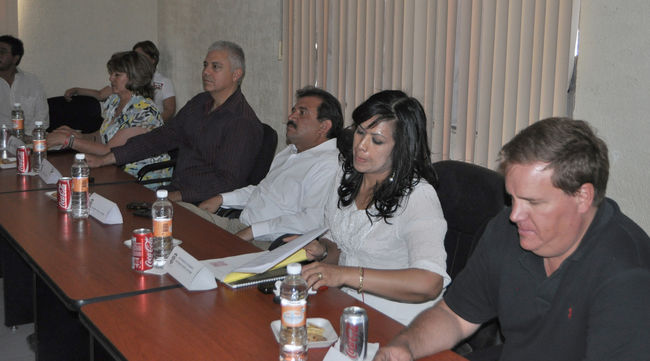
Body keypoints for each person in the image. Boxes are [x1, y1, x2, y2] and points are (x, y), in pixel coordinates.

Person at [374, 117, 650, 361]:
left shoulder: (627, 275)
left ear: (582, 197)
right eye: (512, 198)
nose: (515, 215)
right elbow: (454, 316)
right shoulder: (507, 230)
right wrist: (406, 345)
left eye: (533, 202)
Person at [301, 90, 450, 326]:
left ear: (401, 147)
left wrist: (345, 275)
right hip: (348, 308)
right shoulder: (346, 177)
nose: (361, 146)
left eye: (377, 140)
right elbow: (341, 247)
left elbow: (429, 283)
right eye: (360, 132)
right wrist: (323, 251)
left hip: (398, 321)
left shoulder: (418, 197)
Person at [87, 40, 263, 204]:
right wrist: (106, 159)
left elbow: (227, 182)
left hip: (200, 202)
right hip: (173, 190)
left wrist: (175, 196)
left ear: (236, 74)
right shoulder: (200, 103)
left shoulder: (242, 122)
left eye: (215, 67)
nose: (206, 72)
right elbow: (160, 138)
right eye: (205, 65)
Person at [196, 86, 343, 247]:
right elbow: (262, 191)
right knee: (181, 214)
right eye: (293, 110)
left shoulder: (329, 164)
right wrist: (221, 199)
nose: (291, 116)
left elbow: (311, 220)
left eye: (302, 112)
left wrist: (253, 231)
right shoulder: (290, 151)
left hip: (266, 243)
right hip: (239, 226)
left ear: (323, 126)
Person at [47, 51, 171, 185]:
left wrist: (68, 141)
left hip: (142, 179)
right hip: (115, 171)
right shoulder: (115, 100)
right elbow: (102, 136)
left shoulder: (144, 110)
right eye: (111, 73)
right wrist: (78, 136)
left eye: (117, 74)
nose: (111, 78)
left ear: (134, 77)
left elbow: (108, 150)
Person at [65, 40, 176, 121]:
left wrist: (152, 123)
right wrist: (77, 90)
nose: (137, 60)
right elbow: (100, 94)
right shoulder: (122, 86)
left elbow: (170, 110)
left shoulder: (163, 81)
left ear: (153, 59)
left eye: (140, 56)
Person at [0, 35, 49, 132]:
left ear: (15, 58)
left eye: (2, 52)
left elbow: (42, 117)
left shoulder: (32, 81)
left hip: (29, 137)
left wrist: (27, 136)